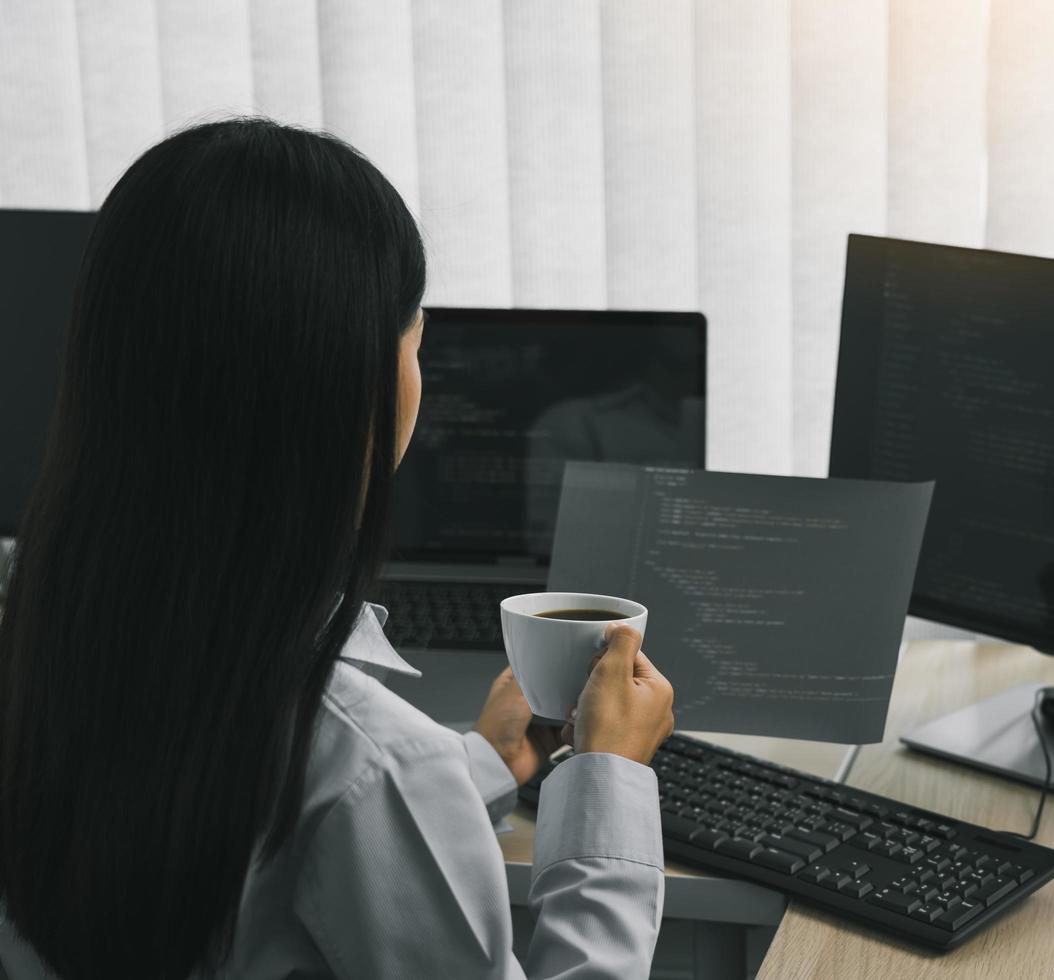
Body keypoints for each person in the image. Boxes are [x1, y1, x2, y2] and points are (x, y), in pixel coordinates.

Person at [0, 118, 675, 980]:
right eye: (417, 346)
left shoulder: (47, 647)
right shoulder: (373, 758)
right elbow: (347, 782)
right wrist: (607, 783)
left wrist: (484, 765)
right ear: (357, 387)